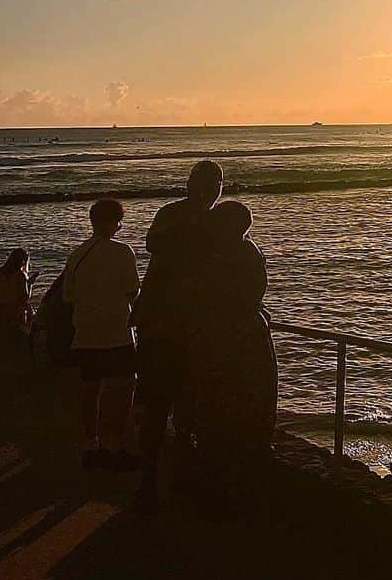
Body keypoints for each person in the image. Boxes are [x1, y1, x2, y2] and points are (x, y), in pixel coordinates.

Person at [133, 159, 223, 512]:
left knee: (178, 406)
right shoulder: (177, 216)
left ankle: (167, 478)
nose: (213, 191)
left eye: (217, 184)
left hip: (175, 325)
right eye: (210, 183)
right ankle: (156, 480)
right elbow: (154, 245)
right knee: (170, 405)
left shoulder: (183, 216)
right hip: (176, 327)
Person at [192, 200, 277, 502]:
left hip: (227, 334)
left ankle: (222, 481)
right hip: (246, 330)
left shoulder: (219, 257)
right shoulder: (248, 252)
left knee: (225, 400)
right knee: (254, 398)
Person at [64, 199, 140, 470]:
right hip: (117, 332)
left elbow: (69, 296)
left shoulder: (77, 255)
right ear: (115, 222)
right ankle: (114, 445)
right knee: (123, 388)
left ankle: (90, 443)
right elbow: (133, 293)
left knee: (90, 390)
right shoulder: (123, 252)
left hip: (85, 332)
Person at [0, 247, 33, 327]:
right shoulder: (19, 275)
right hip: (15, 311)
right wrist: (30, 284)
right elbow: (25, 297)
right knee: (28, 308)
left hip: (1, 308)